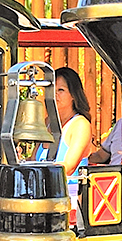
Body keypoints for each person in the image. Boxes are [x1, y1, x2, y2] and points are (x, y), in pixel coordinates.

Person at [51, 67, 94, 203]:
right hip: (44, 197)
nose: (54, 94)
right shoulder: (48, 122)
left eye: (61, 90)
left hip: (70, 202)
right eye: (52, 89)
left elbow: (68, 168)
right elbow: (33, 159)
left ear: (73, 95)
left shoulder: (80, 124)